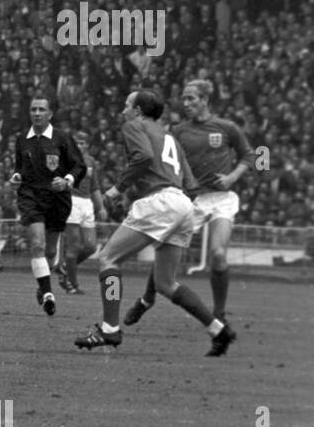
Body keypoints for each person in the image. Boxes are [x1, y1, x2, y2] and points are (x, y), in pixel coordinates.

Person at [74, 90, 236, 356]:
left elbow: (144, 157)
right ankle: (218, 329)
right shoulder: (169, 136)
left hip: (160, 201)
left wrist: (116, 190)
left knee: (107, 259)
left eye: (126, 105)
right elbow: (191, 183)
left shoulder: (133, 125)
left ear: (137, 110)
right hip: (183, 204)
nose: (123, 110)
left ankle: (110, 329)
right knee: (165, 283)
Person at [124, 79, 252, 327]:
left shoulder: (227, 127)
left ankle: (220, 313)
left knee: (217, 254)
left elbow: (252, 154)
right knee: (164, 248)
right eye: (183, 98)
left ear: (205, 100)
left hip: (221, 200)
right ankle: (146, 300)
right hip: (190, 199)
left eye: (191, 98)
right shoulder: (179, 131)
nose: (186, 103)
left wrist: (232, 177)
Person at [6, 97, 86, 315]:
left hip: (57, 198)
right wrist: (16, 176)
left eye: (42, 109)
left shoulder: (62, 138)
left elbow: (79, 166)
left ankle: (42, 285)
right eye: (33, 109)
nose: (37, 113)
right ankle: (49, 294)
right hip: (30, 195)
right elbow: (19, 167)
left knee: (50, 251)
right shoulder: (23, 139)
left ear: (50, 114)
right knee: (37, 244)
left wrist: (67, 180)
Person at [56, 129, 105, 294]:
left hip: (87, 204)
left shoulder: (91, 161)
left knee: (91, 246)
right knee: (74, 246)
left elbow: (95, 186)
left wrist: (101, 207)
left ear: (87, 145)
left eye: (82, 143)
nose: (79, 145)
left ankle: (64, 267)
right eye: (76, 142)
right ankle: (72, 284)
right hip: (71, 202)